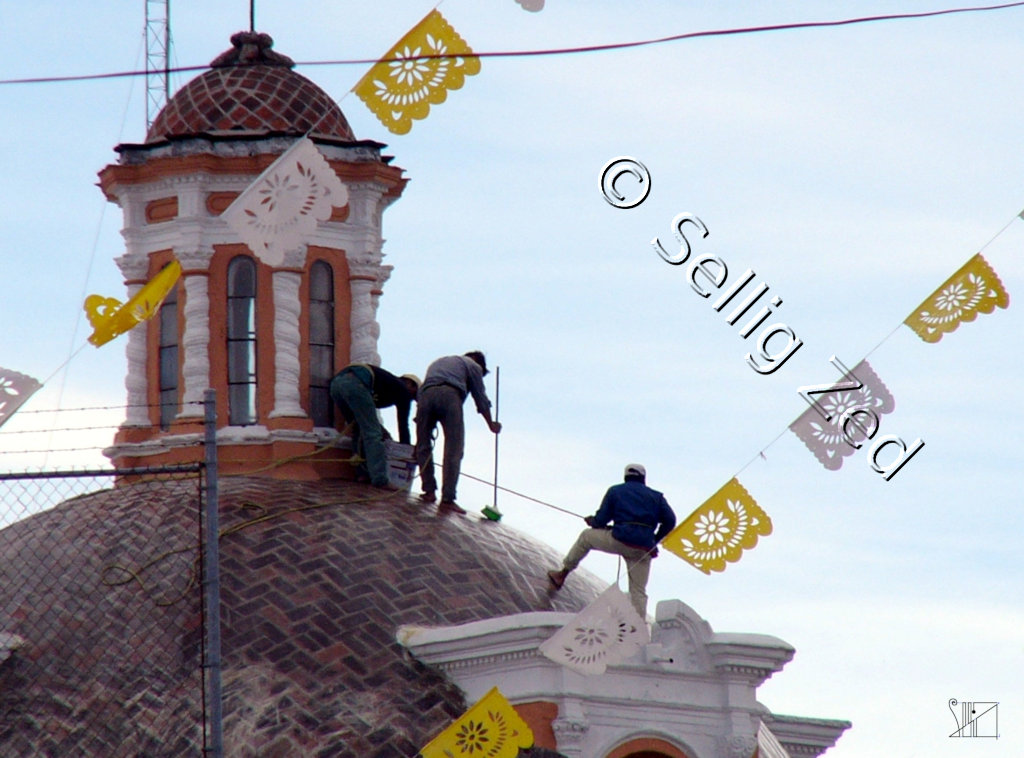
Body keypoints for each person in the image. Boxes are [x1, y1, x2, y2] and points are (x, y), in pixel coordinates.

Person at [548, 463, 676, 617]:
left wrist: (593, 521)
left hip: (620, 539)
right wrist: (654, 539)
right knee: (638, 591)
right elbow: (670, 520)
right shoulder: (657, 497)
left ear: (626, 476)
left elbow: (601, 519)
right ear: (643, 478)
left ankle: (562, 574)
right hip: (644, 549)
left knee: (586, 537)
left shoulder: (616, 491)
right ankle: (638, 630)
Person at [415, 351, 501, 514]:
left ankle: (429, 492)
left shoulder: (439, 360)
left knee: (423, 445)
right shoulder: (473, 366)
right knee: (454, 449)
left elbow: (424, 389)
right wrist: (491, 424)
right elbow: (480, 398)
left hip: (425, 396)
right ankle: (447, 499)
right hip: (449, 395)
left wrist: (420, 421)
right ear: (479, 364)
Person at [329, 363, 420, 489]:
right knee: (373, 433)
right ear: (410, 384)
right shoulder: (404, 392)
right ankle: (380, 479)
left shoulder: (388, 384)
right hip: (355, 383)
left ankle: (362, 474)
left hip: (336, 385)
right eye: (415, 395)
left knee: (358, 429)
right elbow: (403, 426)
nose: (412, 399)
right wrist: (407, 452)